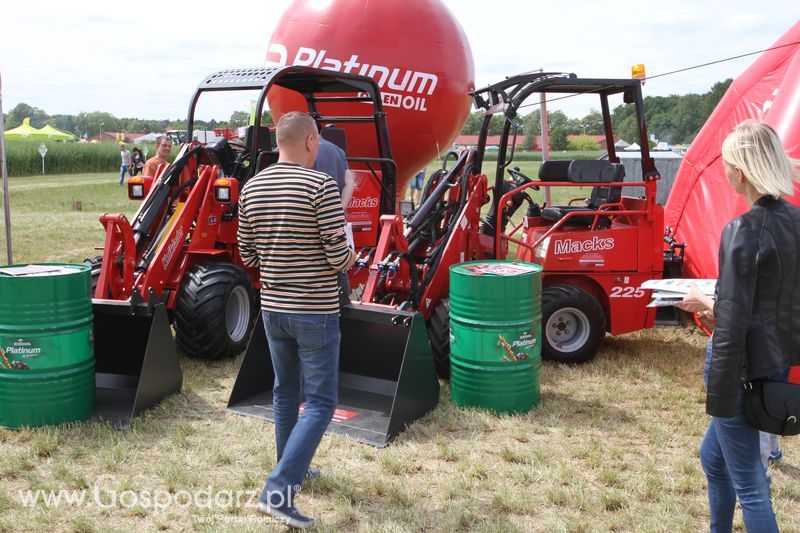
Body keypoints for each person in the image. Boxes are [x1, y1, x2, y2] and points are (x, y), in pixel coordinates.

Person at [678, 120, 800, 532]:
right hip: (775, 367)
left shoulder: (742, 230)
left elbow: (730, 325)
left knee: (750, 484)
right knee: (713, 459)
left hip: (739, 372)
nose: (725, 172)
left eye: (727, 164)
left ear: (741, 171)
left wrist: (704, 304)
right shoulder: (796, 222)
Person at [238, 111, 355, 529]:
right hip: (315, 311)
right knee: (321, 402)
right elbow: (338, 257)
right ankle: (279, 489)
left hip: (273, 309)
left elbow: (247, 256)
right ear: (311, 141)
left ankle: (294, 469)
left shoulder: (251, 187)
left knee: (286, 393)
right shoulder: (322, 186)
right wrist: (350, 254)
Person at [313, 134, 355, 305]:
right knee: (338, 265)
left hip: (311, 220)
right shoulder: (338, 151)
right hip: (334, 220)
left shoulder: (303, 150)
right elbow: (350, 182)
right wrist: (339, 209)